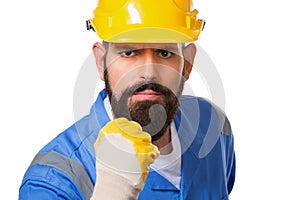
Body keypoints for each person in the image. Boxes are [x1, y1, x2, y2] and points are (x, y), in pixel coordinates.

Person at [19, 0, 236, 199]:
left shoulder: (214, 127)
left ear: (187, 64)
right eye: (129, 52)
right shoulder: (53, 180)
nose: (149, 73)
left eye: (165, 53)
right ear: (101, 62)